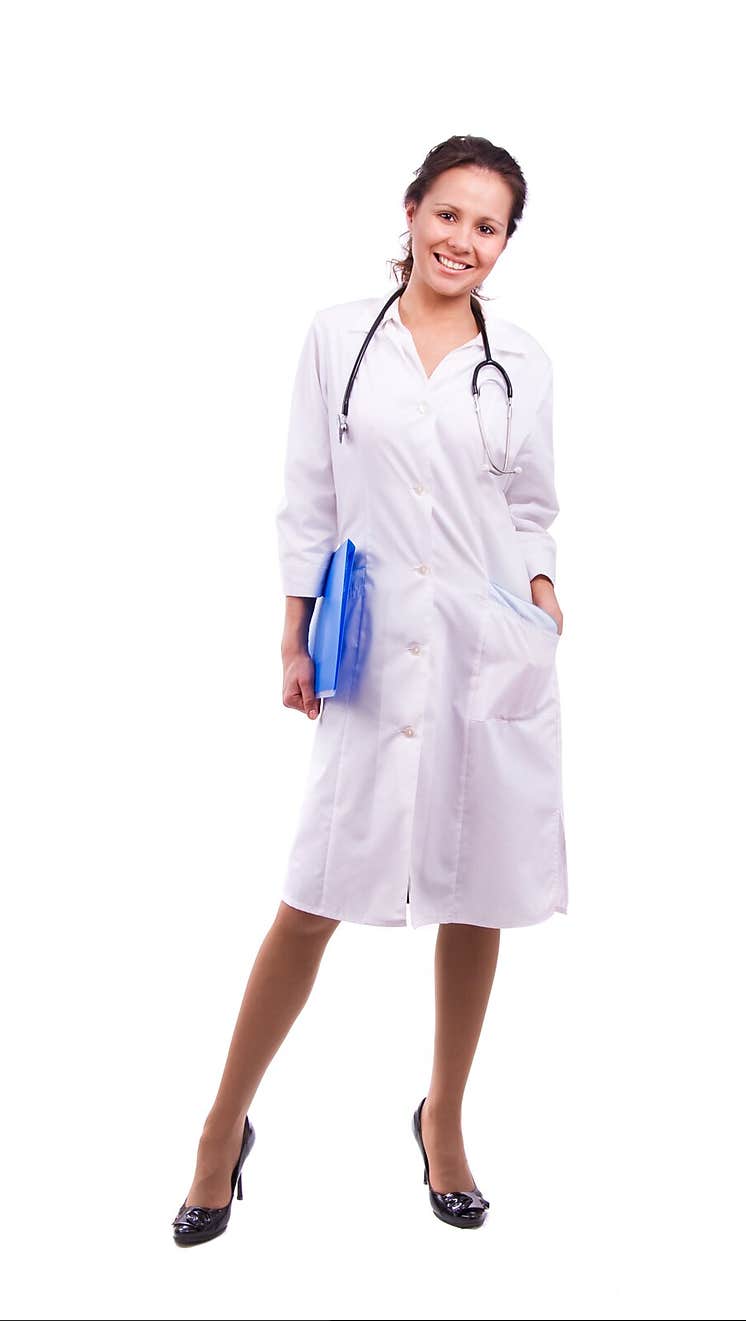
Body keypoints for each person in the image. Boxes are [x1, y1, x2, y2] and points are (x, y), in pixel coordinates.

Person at [172, 134, 567, 1244]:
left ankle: (443, 1119)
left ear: (503, 245)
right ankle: (220, 1130)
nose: (462, 241)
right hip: (371, 644)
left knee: (477, 889)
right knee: (311, 898)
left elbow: (532, 500)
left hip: (488, 646)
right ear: (409, 212)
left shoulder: (523, 359)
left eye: (486, 227)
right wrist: (292, 633)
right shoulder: (339, 338)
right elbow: (307, 498)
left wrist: (541, 589)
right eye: (448, 215)